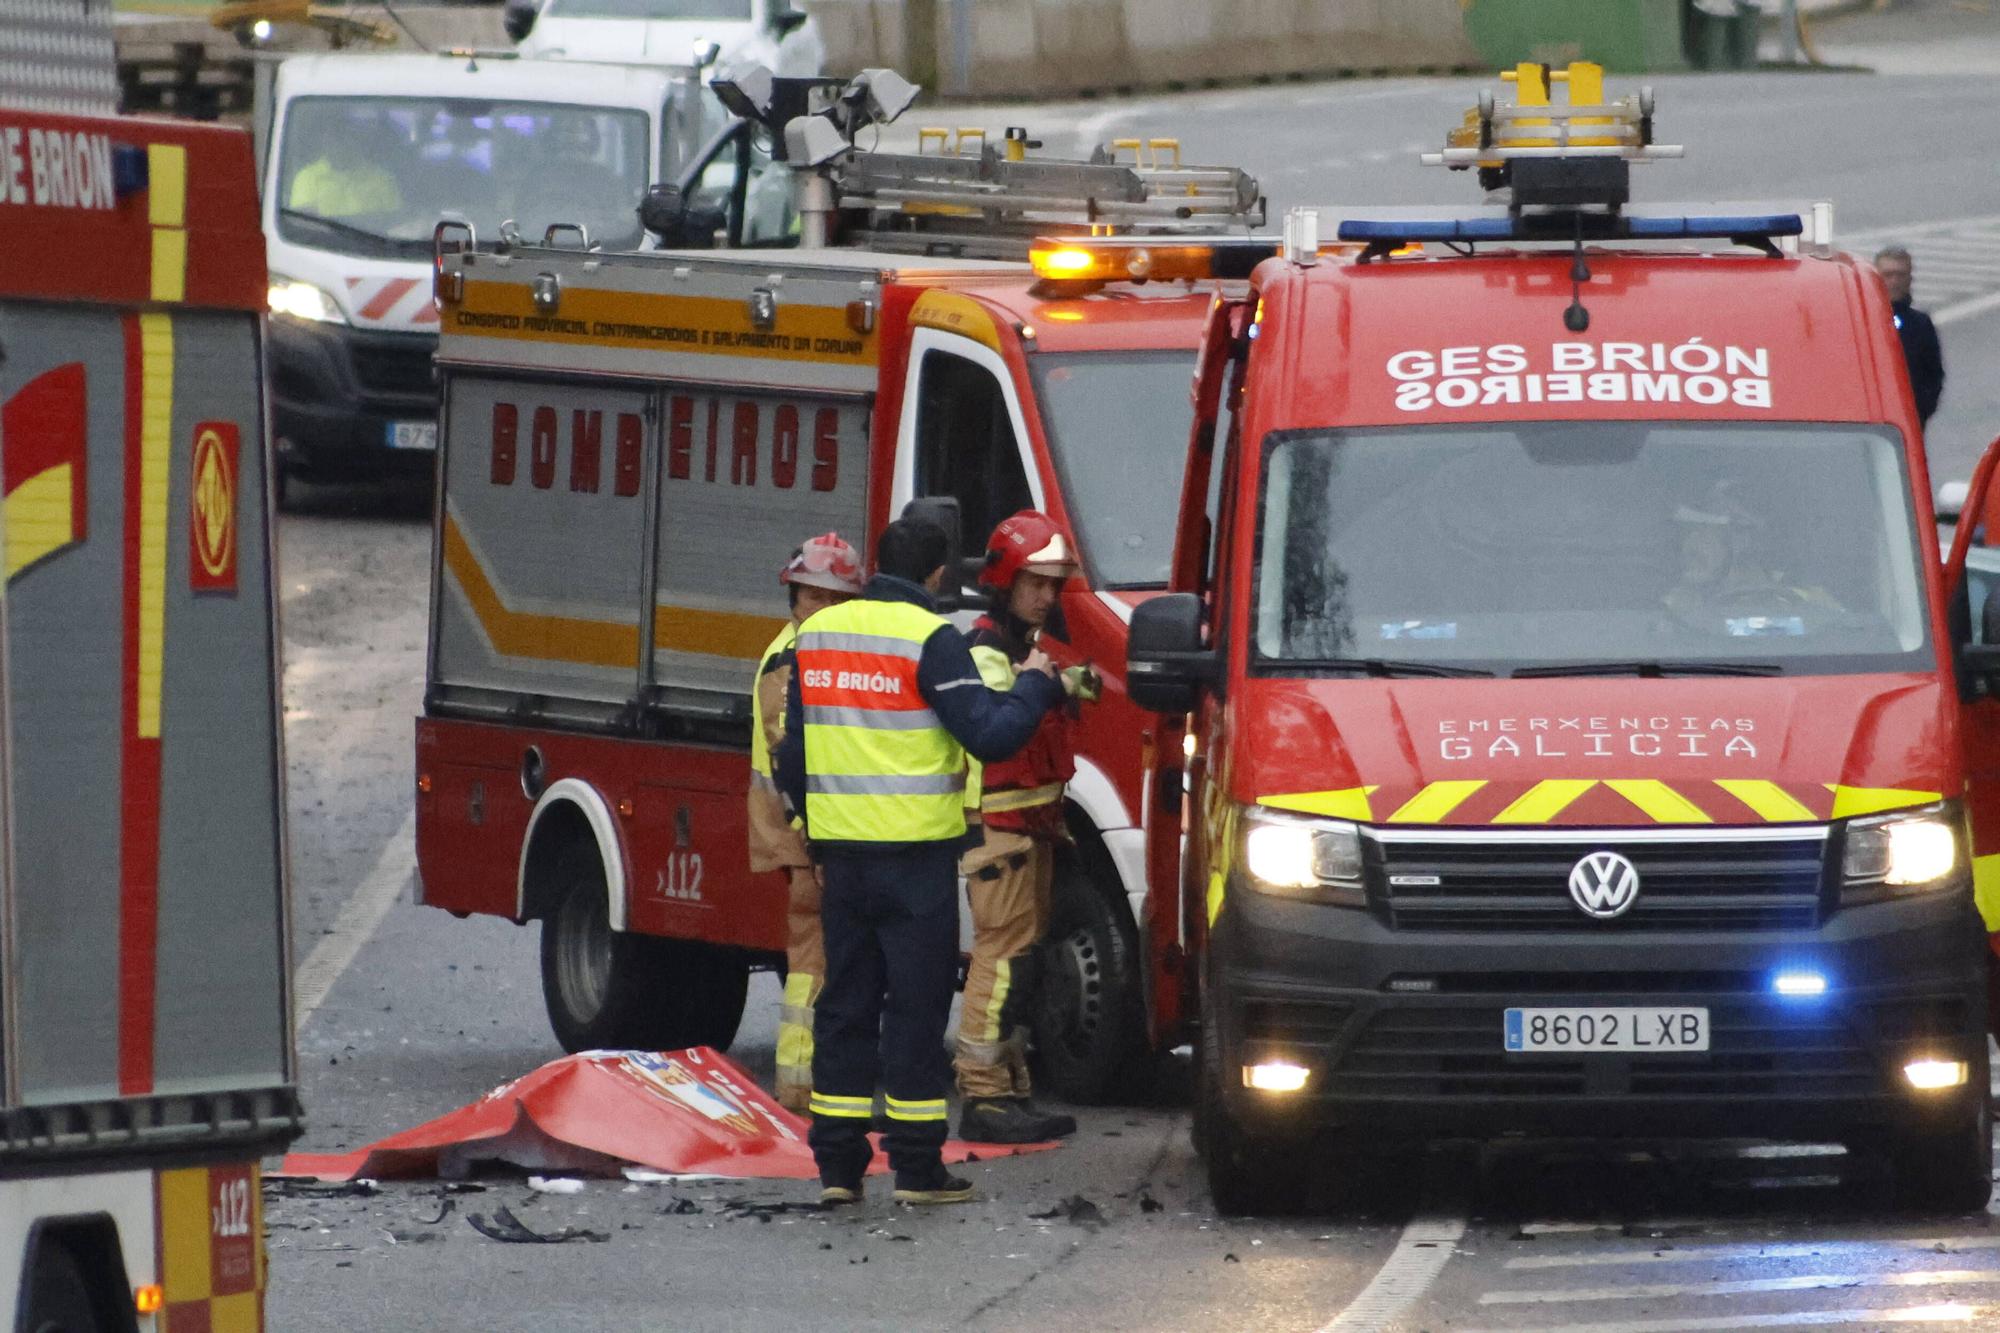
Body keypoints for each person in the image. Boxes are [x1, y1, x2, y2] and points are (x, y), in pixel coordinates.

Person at [774, 516, 1063, 1207]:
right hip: (915, 862)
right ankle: (916, 1170)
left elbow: (793, 755)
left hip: (842, 859)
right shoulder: (929, 637)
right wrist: (1036, 686)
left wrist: (815, 836)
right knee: (913, 1009)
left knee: (844, 1007)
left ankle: (839, 1171)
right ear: (938, 575)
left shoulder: (817, 636)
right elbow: (990, 735)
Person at [955, 512, 1096, 1145]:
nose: (1046, 596)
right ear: (1005, 581)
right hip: (1001, 828)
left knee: (1022, 960)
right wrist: (1046, 682)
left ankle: (1009, 1090)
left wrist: (1063, 680)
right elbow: (998, 724)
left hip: (1028, 828)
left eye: (1054, 585)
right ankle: (983, 1097)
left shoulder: (1019, 650)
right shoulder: (989, 649)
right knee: (1001, 956)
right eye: (1035, 583)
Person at [751, 534, 864, 1114]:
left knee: (819, 956)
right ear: (795, 598)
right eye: (813, 597)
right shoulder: (791, 661)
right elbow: (787, 755)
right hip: (800, 832)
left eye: (833, 599)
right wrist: (815, 835)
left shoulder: (807, 652)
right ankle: (799, 1089)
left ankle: (808, 1081)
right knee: (813, 957)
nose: (822, 609)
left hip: (806, 828)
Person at [1875, 245, 1945, 429]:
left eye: (1900, 275)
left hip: (1909, 421)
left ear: (1909, 279)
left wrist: (1919, 412)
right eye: (1888, 275)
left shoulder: (1921, 324)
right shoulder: (1862, 320)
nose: (1895, 281)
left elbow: (1933, 375)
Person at [286, 116, 404, 222]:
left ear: (356, 141)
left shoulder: (382, 179)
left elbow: (396, 222)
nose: (339, 145)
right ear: (324, 142)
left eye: (345, 138)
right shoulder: (308, 178)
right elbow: (304, 225)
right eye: (334, 138)